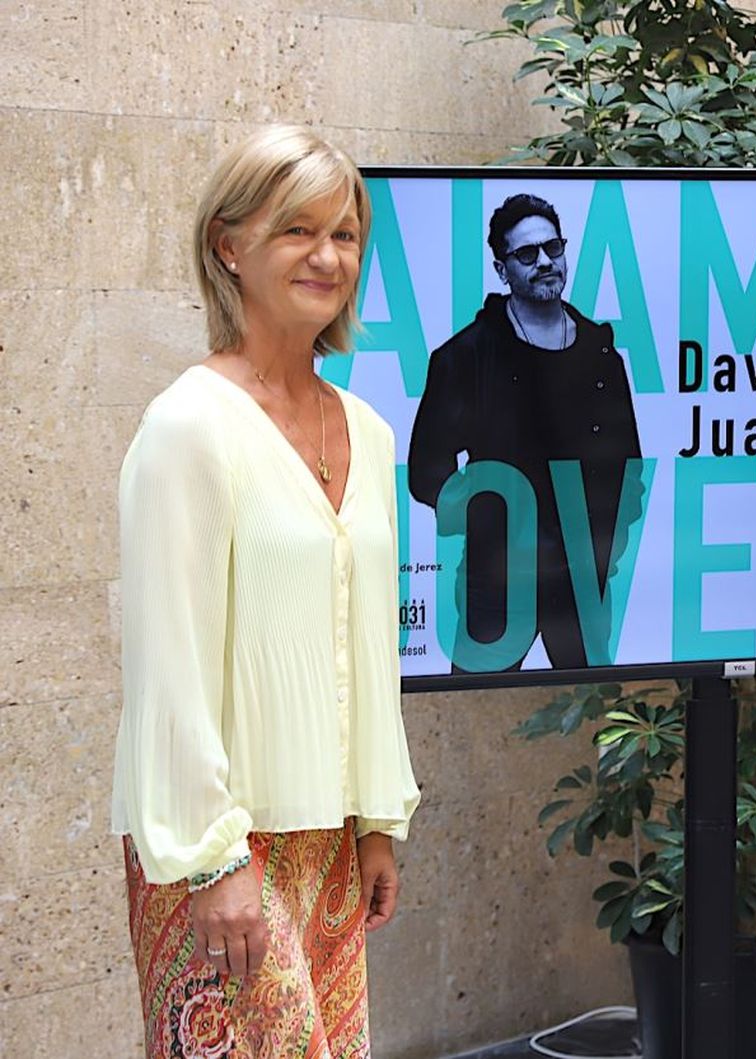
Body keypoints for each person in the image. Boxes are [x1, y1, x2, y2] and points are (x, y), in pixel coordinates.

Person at [112, 125, 421, 1058]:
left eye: (345, 232)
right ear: (229, 246)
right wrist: (213, 859)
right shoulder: (189, 427)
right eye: (298, 230)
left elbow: (365, 647)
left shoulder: (367, 430)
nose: (328, 256)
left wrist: (374, 821)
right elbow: (168, 660)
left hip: (328, 835)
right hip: (213, 842)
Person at [408, 192, 643, 672]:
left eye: (552, 249)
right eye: (526, 254)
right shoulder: (465, 357)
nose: (544, 262)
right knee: (473, 706)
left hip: (582, 585)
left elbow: (629, 466)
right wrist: (489, 524)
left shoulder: (602, 357)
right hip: (498, 588)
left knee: (593, 711)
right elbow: (426, 473)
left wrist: (607, 549)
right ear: (502, 270)